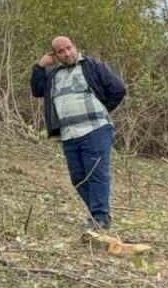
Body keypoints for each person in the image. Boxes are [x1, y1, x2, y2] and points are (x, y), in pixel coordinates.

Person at [30, 36, 127, 230]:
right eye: (61, 51)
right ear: (55, 55)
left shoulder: (92, 66)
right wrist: (40, 67)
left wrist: (102, 109)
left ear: (75, 46)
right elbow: (37, 90)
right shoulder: (53, 74)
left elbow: (118, 89)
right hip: (69, 134)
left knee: (96, 173)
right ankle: (96, 217)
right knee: (78, 177)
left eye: (69, 48)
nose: (67, 53)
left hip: (95, 129)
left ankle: (100, 218)